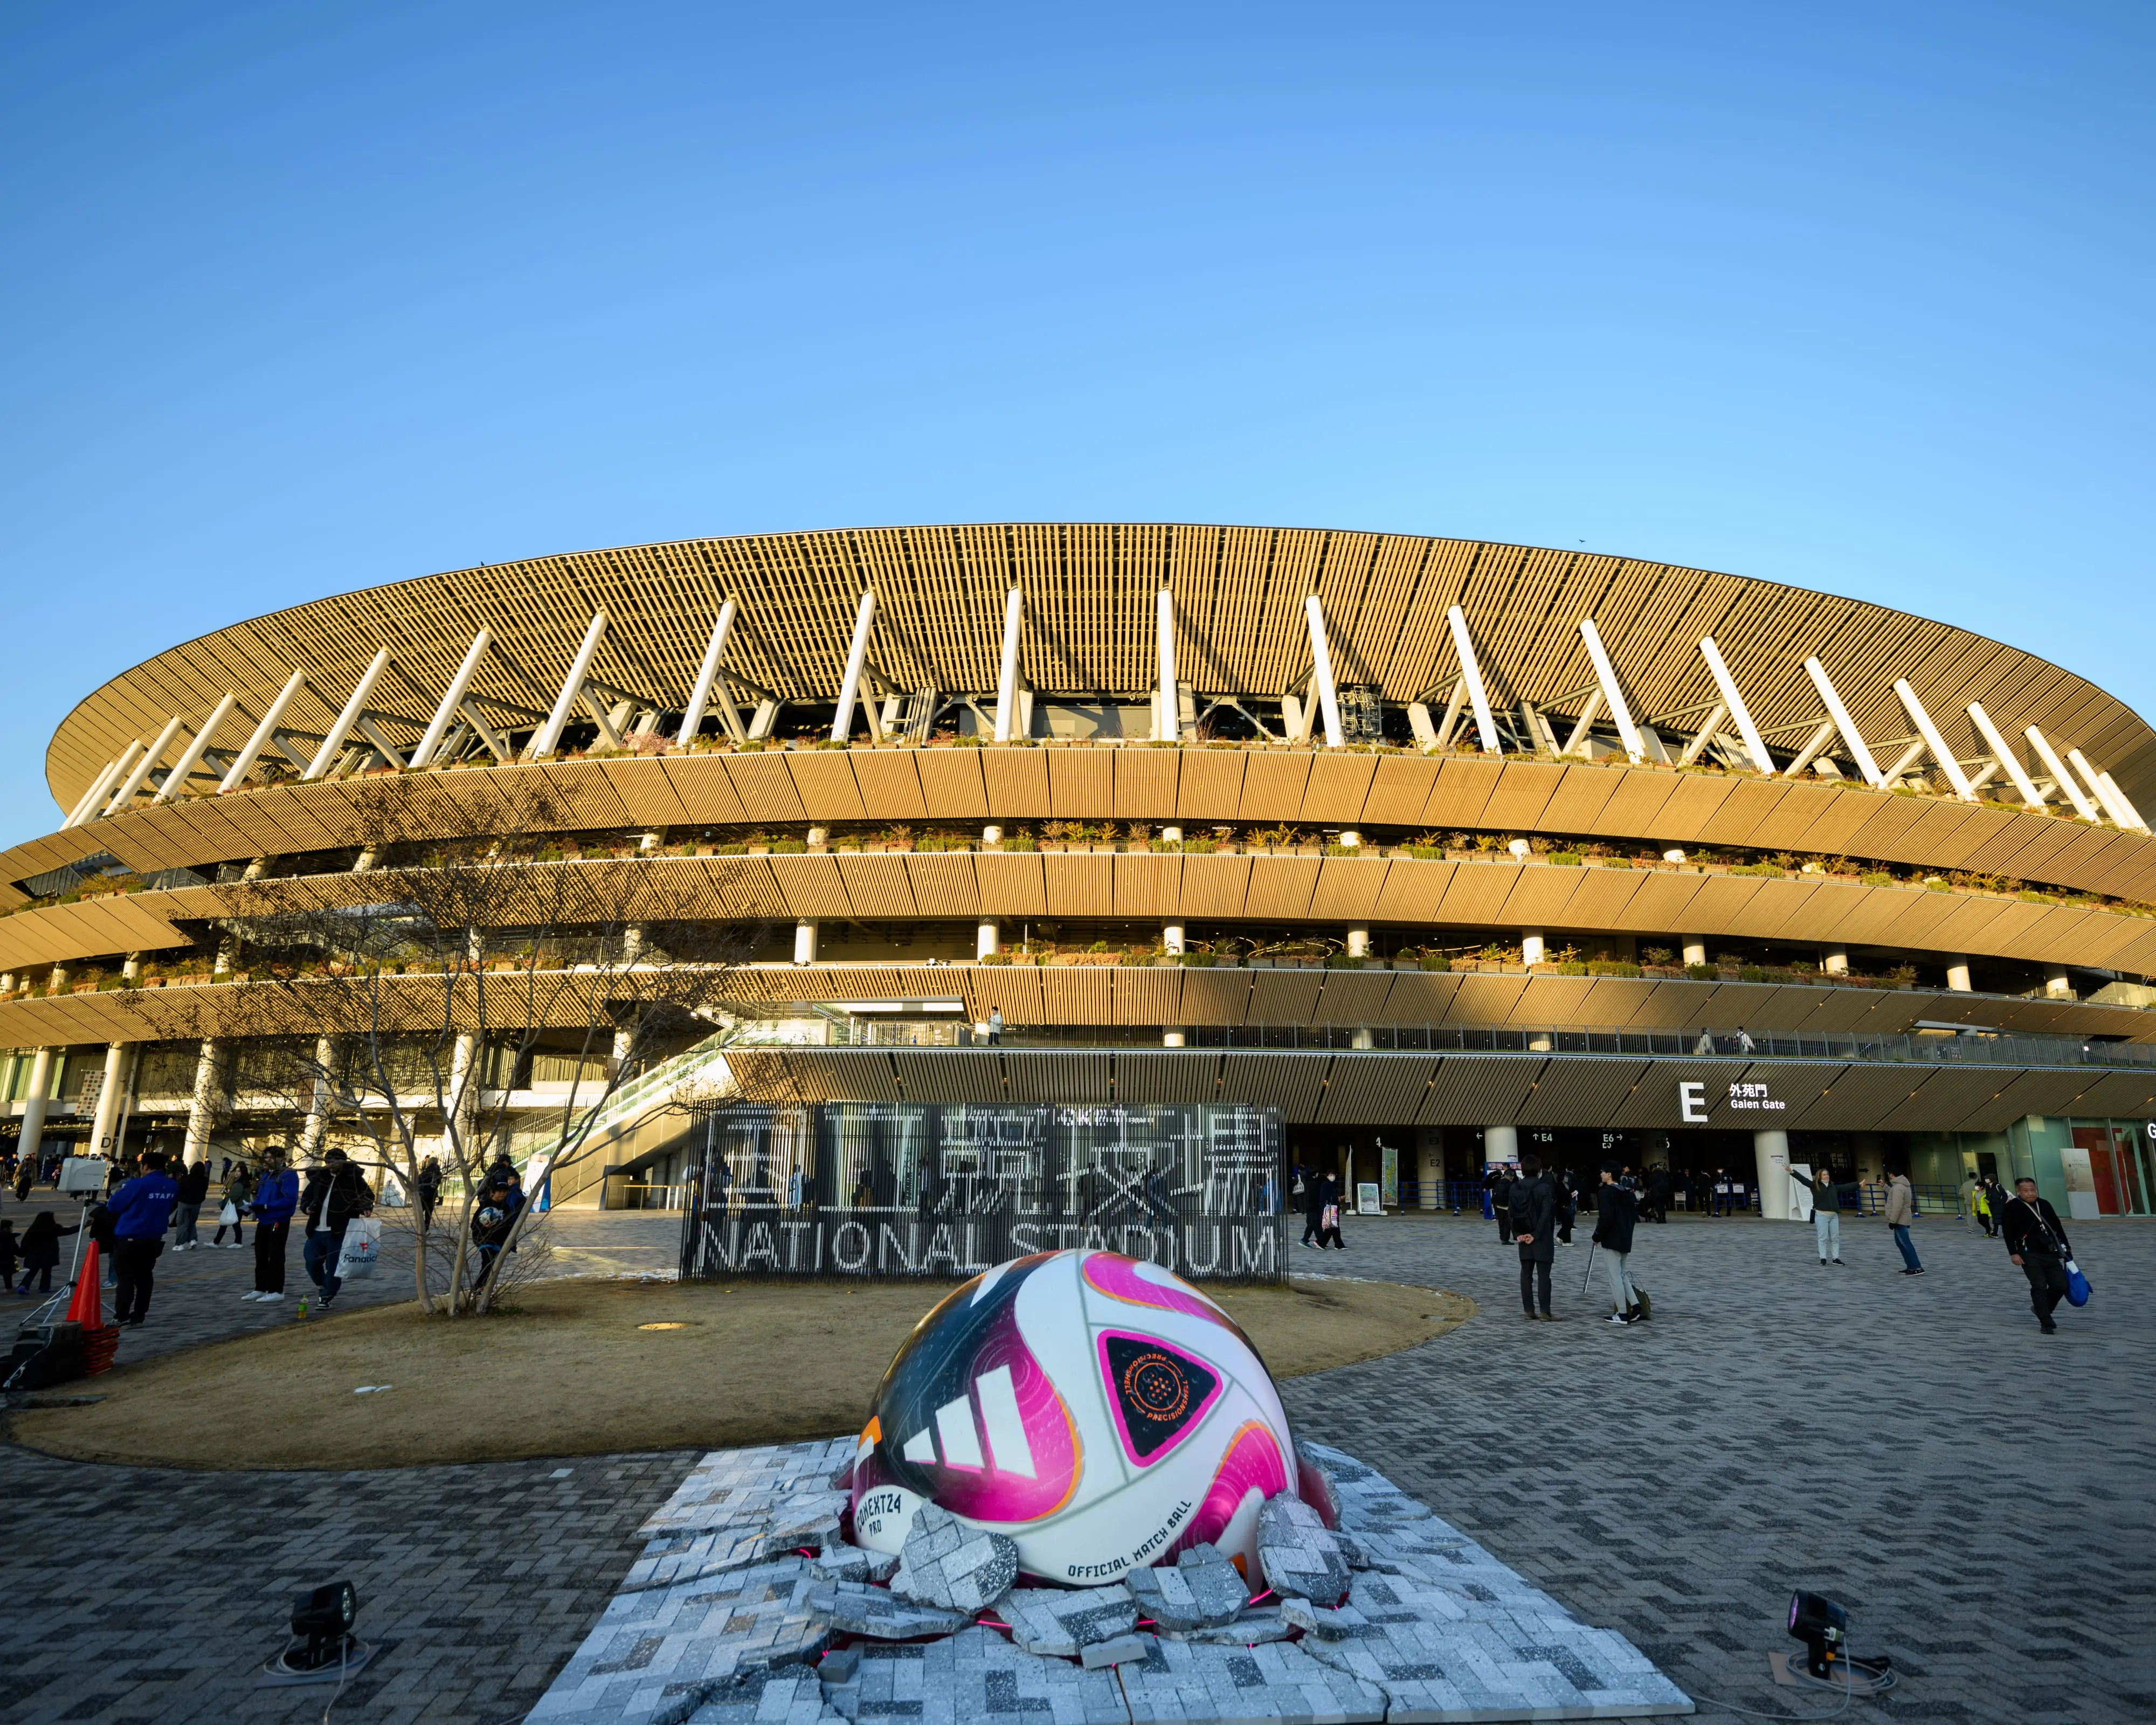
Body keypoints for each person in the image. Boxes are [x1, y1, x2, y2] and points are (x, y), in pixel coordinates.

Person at [107, 1150, 181, 1327]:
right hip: (154, 1238)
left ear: (145, 1166)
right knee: (145, 1278)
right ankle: (139, 1315)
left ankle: (121, 1315)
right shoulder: (172, 1186)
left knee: (125, 1279)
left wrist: (117, 1192)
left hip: (131, 1236)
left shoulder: (137, 1184)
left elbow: (114, 1206)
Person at [299, 1148, 374, 1311]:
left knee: (334, 1267)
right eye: (327, 1161)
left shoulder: (353, 1179)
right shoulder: (320, 1178)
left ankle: (327, 1296)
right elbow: (306, 1197)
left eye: (333, 1161)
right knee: (311, 1261)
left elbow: (367, 1195)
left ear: (342, 1162)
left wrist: (366, 1206)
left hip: (340, 1231)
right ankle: (322, 1285)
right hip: (316, 1229)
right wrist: (306, 1208)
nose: (330, 1164)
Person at [2000, 1176, 2074, 1334]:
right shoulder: (2012, 1207)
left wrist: (2067, 1248)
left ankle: (2041, 1309)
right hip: (2028, 1253)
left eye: (2033, 1190)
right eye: (2025, 1191)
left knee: (2060, 1285)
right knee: (2039, 1285)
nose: (2030, 1193)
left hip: (2050, 1252)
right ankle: (2046, 1322)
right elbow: (2008, 1233)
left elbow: (2058, 1228)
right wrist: (2014, 1253)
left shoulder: (2044, 1205)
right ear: (2018, 1192)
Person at [1508, 1154, 1564, 1321]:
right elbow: (1546, 1214)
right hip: (1541, 1237)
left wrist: (1518, 1235)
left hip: (1522, 1236)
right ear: (1539, 1170)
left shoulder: (1515, 1188)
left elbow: (1510, 1213)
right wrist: (1536, 1235)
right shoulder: (1544, 1188)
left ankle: (1529, 1311)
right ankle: (1545, 1312)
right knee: (1544, 1276)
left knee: (1526, 1275)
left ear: (1522, 1169)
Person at [1592, 1163, 1643, 1324]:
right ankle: (1635, 1307)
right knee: (1621, 1274)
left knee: (1615, 1277)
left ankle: (1622, 1313)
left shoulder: (1605, 1193)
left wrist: (1597, 1235)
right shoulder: (1626, 1191)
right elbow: (1634, 1218)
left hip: (1611, 1239)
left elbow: (1606, 1218)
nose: (1601, 1174)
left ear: (1609, 1174)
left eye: (1603, 1172)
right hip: (1625, 1238)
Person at [246, 1149, 299, 1302]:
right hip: (263, 1220)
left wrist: (269, 1207)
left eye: (270, 1158)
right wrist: (253, 1206)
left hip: (278, 1220)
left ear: (281, 1158)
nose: (267, 1160)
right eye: (266, 1157)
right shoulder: (267, 1174)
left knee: (275, 1255)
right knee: (260, 1255)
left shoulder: (288, 1175)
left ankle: (277, 1290)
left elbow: (290, 1199)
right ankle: (260, 1288)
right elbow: (261, 1196)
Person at [1802, 1165, 1856, 1265]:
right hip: (1821, 1215)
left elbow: (1845, 1187)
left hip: (1834, 1216)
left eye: (1827, 1174)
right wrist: (1792, 1171)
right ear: (1820, 1177)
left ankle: (1836, 1259)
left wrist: (1859, 1184)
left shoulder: (1833, 1186)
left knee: (1835, 1238)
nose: (1827, 1176)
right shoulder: (1815, 1186)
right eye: (1824, 1175)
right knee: (1823, 1238)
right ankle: (1823, 1258)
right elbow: (1804, 1180)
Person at [14, 1210, 76, 1295]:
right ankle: (44, 1287)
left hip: (34, 1255)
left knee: (32, 1272)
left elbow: (25, 1241)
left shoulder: (33, 1229)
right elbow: (69, 1231)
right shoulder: (53, 1229)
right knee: (47, 1272)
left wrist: (23, 1252)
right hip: (48, 1255)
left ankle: (23, 1286)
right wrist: (83, 1225)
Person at [1883, 1170, 1923, 1275]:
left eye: (1889, 1175)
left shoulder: (1898, 1187)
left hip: (1899, 1220)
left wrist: (1892, 1221)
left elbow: (1897, 1206)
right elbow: (1894, 1195)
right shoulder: (1904, 1185)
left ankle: (1917, 1267)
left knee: (1906, 1243)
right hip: (1903, 1218)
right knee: (1900, 1243)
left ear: (1892, 1175)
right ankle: (1911, 1267)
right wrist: (1884, 1186)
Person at [169, 1158, 212, 1251]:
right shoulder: (204, 1180)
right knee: (192, 1222)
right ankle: (192, 1240)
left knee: (182, 1223)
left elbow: (179, 1191)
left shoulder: (186, 1180)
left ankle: (180, 1244)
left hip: (184, 1203)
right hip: (197, 1204)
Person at [213, 1160, 253, 1248]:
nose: (236, 1173)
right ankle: (217, 1242)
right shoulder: (242, 1182)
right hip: (240, 1206)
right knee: (229, 1225)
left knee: (234, 1225)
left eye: (239, 1172)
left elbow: (234, 1196)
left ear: (243, 1173)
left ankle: (237, 1242)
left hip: (237, 1206)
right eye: (236, 1171)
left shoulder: (240, 1183)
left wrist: (226, 1202)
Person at [1312, 1171, 1345, 1250]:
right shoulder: (1326, 1184)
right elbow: (1326, 1196)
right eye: (1331, 1175)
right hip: (1330, 1209)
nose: (1332, 1177)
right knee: (1332, 1226)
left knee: (1334, 1226)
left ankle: (1338, 1244)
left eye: (1334, 1175)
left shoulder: (1330, 1185)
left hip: (1332, 1208)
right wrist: (1337, 1198)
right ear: (1327, 1176)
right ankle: (1321, 1243)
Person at [1491, 1163, 1517, 1245]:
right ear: (1511, 1176)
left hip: (1497, 1205)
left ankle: (1502, 1237)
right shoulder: (1510, 1184)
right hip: (1506, 1206)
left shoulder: (1499, 1181)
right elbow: (1513, 1195)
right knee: (1507, 1223)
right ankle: (1506, 1239)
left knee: (1501, 1223)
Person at [417, 1155, 443, 1230]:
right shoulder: (439, 1173)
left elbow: (419, 1181)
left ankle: (421, 1226)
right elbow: (438, 1182)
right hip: (433, 1195)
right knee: (429, 1213)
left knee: (419, 1212)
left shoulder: (426, 1172)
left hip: (424, 1194)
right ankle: (426, 1226)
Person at [0, 1218, 19, 1291]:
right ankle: (9, 1288)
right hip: (7, 1260)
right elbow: (16, 1249)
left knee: (7, 1273)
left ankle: (9, 1287)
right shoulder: (9, 1237)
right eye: (11, 1227)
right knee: (7, 1273)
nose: (12, 1229)